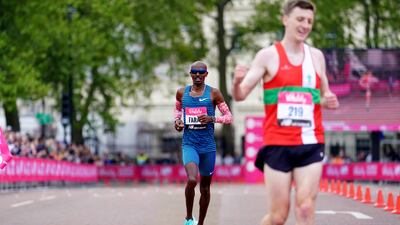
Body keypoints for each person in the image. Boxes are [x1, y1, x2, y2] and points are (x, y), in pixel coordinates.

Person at [232, 1, 339, 225]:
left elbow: (325, 95)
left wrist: (330, 100)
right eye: (300, 19)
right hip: (277, 144)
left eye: (309, 21)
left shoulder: (317, 57)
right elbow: (240, 95)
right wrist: (236, 82)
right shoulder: (267, 56)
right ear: (285, 20)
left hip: (311, 142)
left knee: (306, 207)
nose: (305, 25)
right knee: (278, 217)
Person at [174, 61, 233, 225]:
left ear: (206, 74)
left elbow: (229, 118)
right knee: (192, 180)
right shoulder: (181, 93)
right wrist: (177, 122)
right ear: (190, 74)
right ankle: (188, 218)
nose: (198, 75)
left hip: (207, 147)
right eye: (194, 72)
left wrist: (212, 118)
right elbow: (178, 111)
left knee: (205, 188)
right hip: (189, 144)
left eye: (201, 72)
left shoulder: (214, 94)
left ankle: (200, 223)